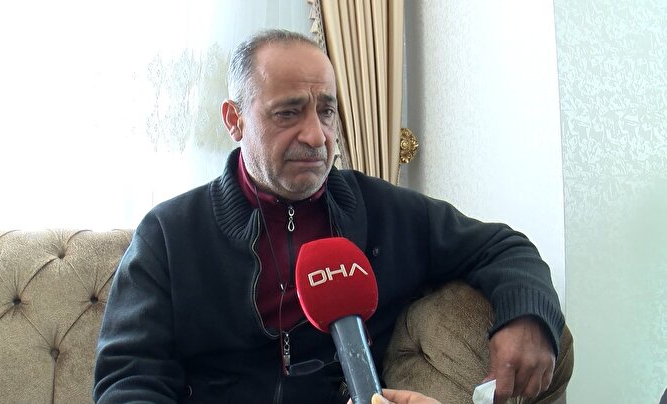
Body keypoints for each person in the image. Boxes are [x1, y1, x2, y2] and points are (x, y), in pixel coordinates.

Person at [93, 29, 565, 404]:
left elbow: (502, 246)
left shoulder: (381, 210)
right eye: (288, 113)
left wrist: (528, 316)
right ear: (235, 120)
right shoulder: (169, 235)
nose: (317, 136)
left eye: (327, 111)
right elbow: (128, 378)